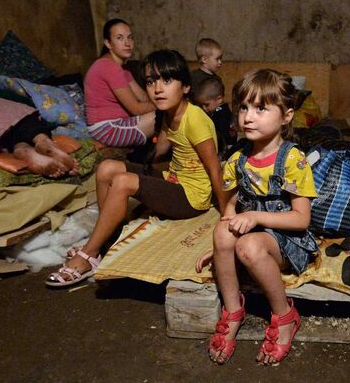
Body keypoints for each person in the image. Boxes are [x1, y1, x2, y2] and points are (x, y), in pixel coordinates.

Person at [46, 49, 226, 287]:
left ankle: (89, 254)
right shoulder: (167, 113)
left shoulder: (195, 120)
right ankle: (108, 238)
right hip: (174, 178)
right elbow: (161, 150)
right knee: (107, 168)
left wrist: (227, 216)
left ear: (185, 87)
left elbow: (215, 169)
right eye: (151, 82)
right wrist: (148, 166)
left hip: (193, 197)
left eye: (167, 80)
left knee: (123, 181)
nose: (157, 89)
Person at [195, 69, 317, 365]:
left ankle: (285, 315)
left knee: (247, 246)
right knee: (223, 233)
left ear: (286, 116)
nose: (248, 117)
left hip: (288, 240)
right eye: (244, 107)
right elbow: (229, 209)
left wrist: (254, 216)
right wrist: (220, 250)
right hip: (255, 231)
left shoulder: (293, 160)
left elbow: (301, 219)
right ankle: (233, 311)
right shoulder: (238, 160)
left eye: (261, 108)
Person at [84, 19, 156, 147]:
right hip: (106, 129)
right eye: (119, 38)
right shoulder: (108, 67)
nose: (127, 43)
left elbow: (143, 97)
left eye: (130, 37)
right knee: (169, 114)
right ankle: (159, 156)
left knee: (171, 111)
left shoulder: (122, 68)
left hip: (117, 123)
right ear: (108, 43)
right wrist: (168, 102)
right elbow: (136, 109)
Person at [193, 77, 236, 159]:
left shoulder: (220, 113)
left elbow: (223, 135)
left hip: (224, 150)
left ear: (219, 99)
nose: (204, 108)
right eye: (201, 105)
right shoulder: (223, 110)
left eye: (206, 104)